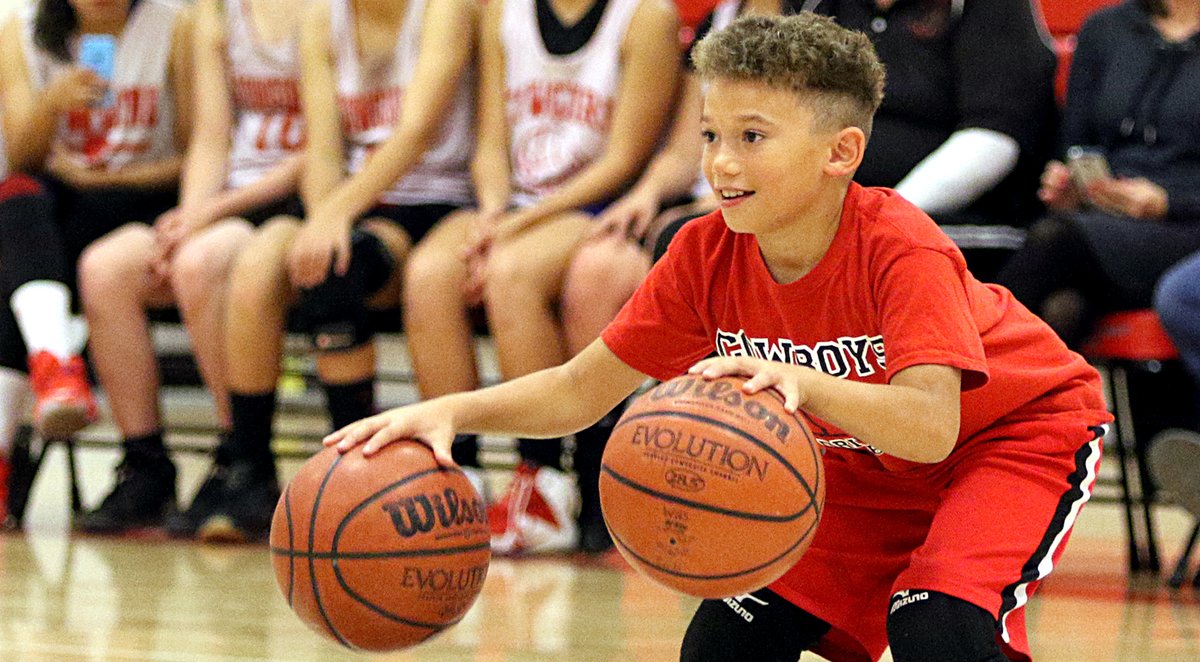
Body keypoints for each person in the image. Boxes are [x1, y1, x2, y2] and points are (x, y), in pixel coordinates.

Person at [327, 14, 1113, 661]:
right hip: (865, 468)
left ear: (841, 152)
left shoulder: (901, 249)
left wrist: (801, 383)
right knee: (721, 646)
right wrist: (448, 414)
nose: (722, 163)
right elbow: (578, 389)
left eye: (752, 137)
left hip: (1011, 436)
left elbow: (931, 426)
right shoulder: (704, 251)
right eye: (710, 135)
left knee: (938, 629)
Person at [402, 0, 678, 556]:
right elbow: (490, 145)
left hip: (599, 205)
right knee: (430, 273)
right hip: (516, 208)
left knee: (511, 273)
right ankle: (459, 477)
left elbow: (625, 157)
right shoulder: (502, 13)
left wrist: (515, 228)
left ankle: (543, 477)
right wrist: (494, 212)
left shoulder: (647, 15)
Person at [204, 0, 478, 542]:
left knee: (336, 269)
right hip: (353, 203)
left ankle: (357, 476)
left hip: (433, 200)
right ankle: (250, 470)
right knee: (260, 265)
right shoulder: (322, 18)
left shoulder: (444, 10)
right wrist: (324, 217)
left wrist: (334, 216)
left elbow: (415, 132)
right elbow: (324, 146)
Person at [70, 0, 309, 535]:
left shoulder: (326, 14)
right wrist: (189, 216)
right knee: (106, 268)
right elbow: (211, 136)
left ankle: (243, 455)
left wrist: (210, 216)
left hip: (296, 199)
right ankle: (146, 465)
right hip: (224, 201)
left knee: (199, 265)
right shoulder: (215, 12)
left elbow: (327, 148)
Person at [652, 0, 1060, 278]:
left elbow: (992, 140)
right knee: (693, 240)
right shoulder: (817, 5)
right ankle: (692, 397)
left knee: (868, 250)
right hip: (824, 205)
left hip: (958, 218)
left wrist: (879, 215)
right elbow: (768, 114)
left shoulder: (987, 7)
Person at [0, 0, 192, 521]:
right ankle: (54, 364)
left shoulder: (176, 25)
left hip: (150, 196)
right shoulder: (19, 31)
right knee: (16, 201)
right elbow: (21, 155)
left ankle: (37, 399)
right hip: (65, 205)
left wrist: (113, 179)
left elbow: (198, 152)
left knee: (16, 269)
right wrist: (49, 104)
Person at [997, 0, 1200, 347]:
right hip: (1105, 217)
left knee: (1055, 242)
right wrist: (1070, 187)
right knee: (1061, 308)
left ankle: (957, 373)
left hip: (1186, 224)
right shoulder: (1104, 28)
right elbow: (1074, 143)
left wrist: (1168, 203)